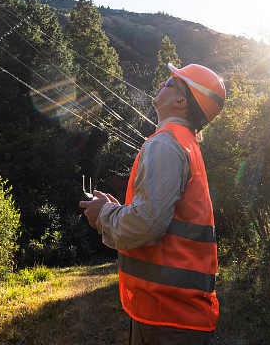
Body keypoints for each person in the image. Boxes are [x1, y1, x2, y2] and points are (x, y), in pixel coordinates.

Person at [80, 62, 226, 344]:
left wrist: (104, 215)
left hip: (166, 317)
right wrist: (116, 210)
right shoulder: (184, 143)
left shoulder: (165, 144)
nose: (163, 82)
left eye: (172, 82)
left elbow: (148, 224)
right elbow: (157, 218)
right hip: (175, 314)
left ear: (181, 101)